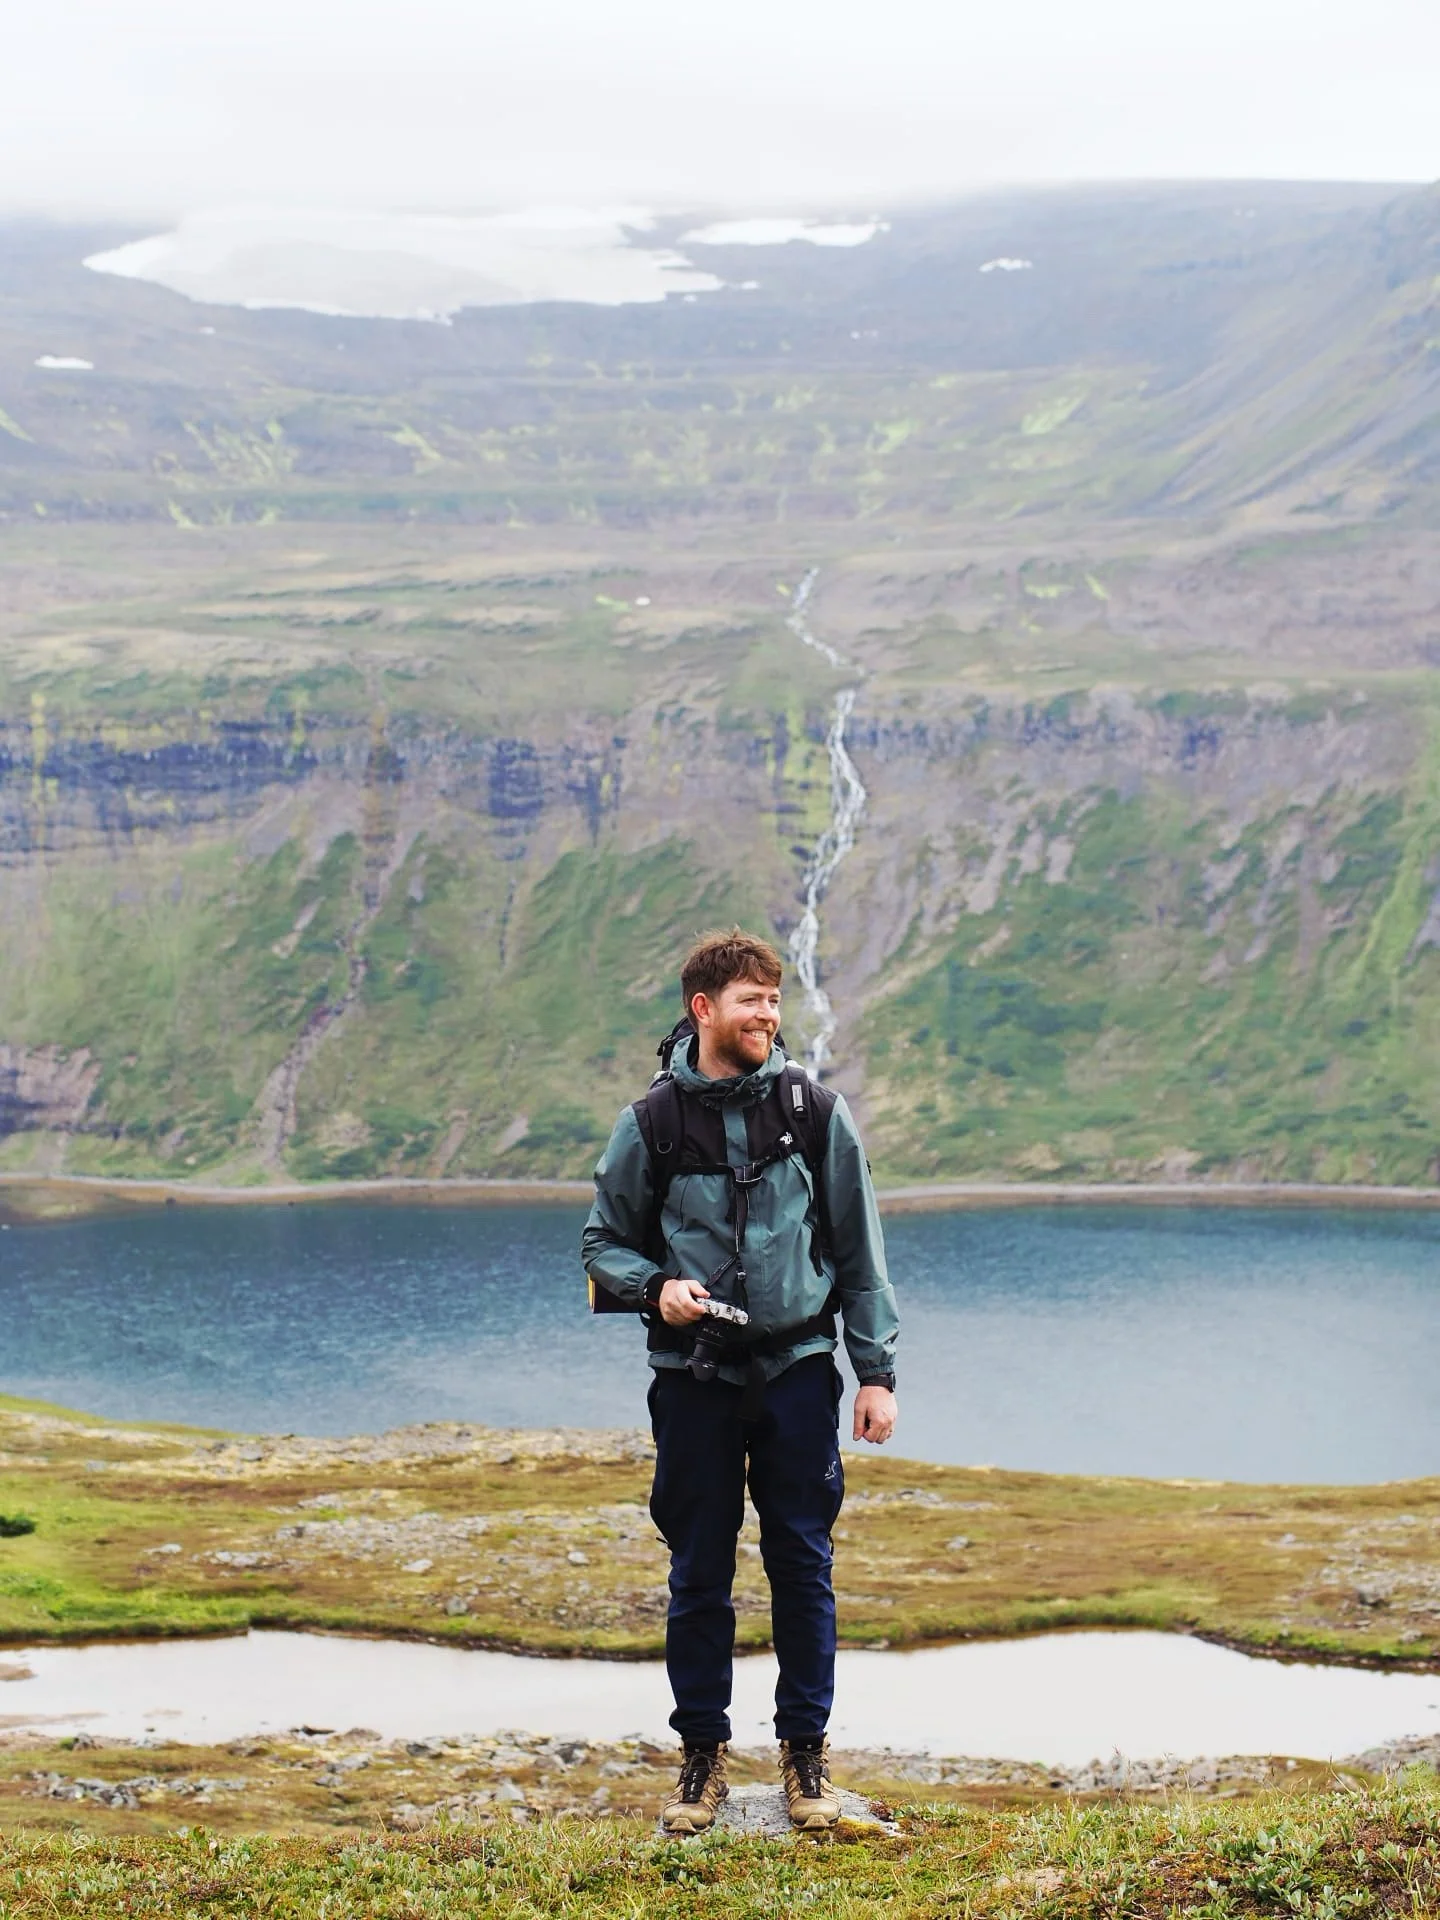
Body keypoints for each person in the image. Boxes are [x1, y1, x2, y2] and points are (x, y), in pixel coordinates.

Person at [581, 927, 899, 1834]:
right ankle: (700, 1763)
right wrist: (658, 1290)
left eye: (774, 999)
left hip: (800, 1370)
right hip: (692, 1377)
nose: (769, 1015)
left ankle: (806, 1761)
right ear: (703, 1009)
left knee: (803, 1563)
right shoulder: (650, 1125)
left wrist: (873, 1373)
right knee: (698, 1571)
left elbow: (861, 1255)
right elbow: (602, 1243)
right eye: (753, 1000)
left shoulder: (814, 1113)